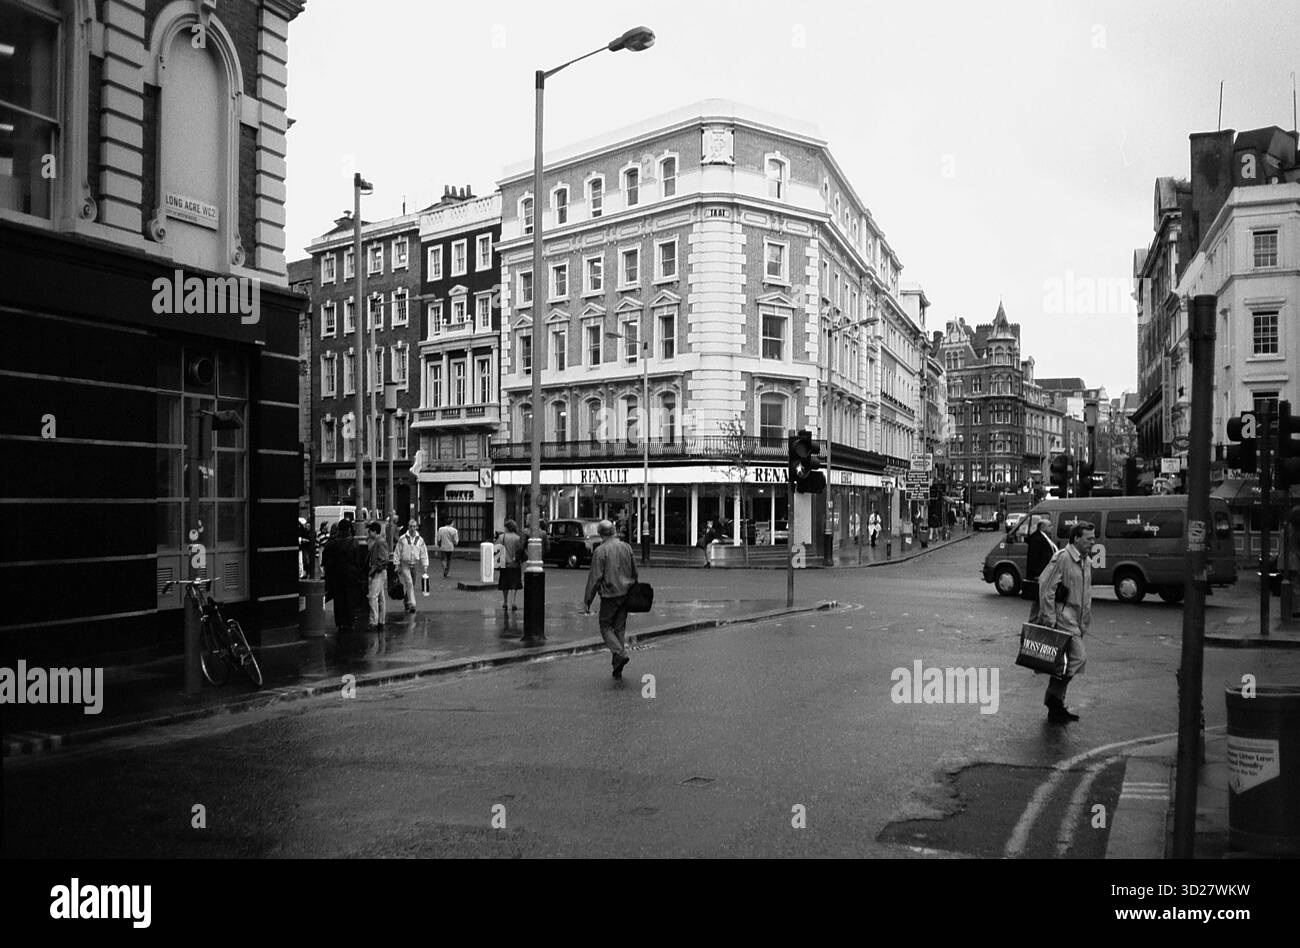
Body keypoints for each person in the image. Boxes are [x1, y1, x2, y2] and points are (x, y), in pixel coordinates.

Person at [1035, 521, 1095, 723]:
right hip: (1063, 620)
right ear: (1076, 538)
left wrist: (1085, 620)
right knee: (1079, 659)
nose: (1092, 542)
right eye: (1089, 538)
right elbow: (1046, 586)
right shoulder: (1062, 558)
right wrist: (1049, 619)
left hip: (1077, 621)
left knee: (1062, 665)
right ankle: (1054, 701)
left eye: (1093, 538)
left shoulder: (1085, 561)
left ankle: (1055, 703)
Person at [583, 519, 639, 679]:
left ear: (601, 534)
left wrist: (588, 600)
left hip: (609, 594)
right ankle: (617, 667)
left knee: (605, 627)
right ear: (613, 531)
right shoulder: (626, 547)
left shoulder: (600, 551)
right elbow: (635, 572)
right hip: (626, 593)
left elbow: (595, 578)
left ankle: (620, 653)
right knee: (619, 629)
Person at [321, 521, 355, 633]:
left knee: (338, 599)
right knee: (349, 597)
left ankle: (340, 622)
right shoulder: (354, 542)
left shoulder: (332, 544)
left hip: (336, 575)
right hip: (350, 574)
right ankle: (349, 621)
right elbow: (357, 560)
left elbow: (326, 561)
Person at [1024, 515, 1059, 614]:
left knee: (1041, 600)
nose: (1052, 528)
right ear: (1042, 527)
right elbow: (1034, 558)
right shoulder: (1037, 538)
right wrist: (1036, 574)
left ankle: (1038, 620)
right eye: (1049, 526)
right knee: (1039, 600)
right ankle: (1034, 621)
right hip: (1040, 575)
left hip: (1047, 575)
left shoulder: (1045, 537)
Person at [393, 518, 429, 614]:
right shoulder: (403, 539)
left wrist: (425, 565)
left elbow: (423, 552)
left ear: (416, 527)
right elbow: (397, 551)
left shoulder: (420, 540)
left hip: (415, 564)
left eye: (414, 526)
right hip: (405, 564)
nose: (412, 528)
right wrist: (396, 564)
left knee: (412, 584)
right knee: (409, 583)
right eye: (411, 526)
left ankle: (406, 601)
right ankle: (412, 603)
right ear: (408, 527)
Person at [364, 520, 390, 633]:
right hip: (380, 571)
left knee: (373, 596)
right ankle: (381, 621)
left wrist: (373, 570)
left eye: (369, 531)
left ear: (374, 531)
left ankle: (373, 621)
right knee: (380, 597)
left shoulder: (379, 542)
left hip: (378, 572)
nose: (368, 533)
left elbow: (383, 559)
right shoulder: (379, 541)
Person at [498, 520, 525, 611]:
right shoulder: (517, 538)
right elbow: (520, 551)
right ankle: (513, 601)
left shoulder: (502, 537)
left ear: (507, 528)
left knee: (504, 584)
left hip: (504, 564)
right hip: (515, 564)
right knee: (514, 584)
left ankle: (505, 601)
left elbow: (497, 549)